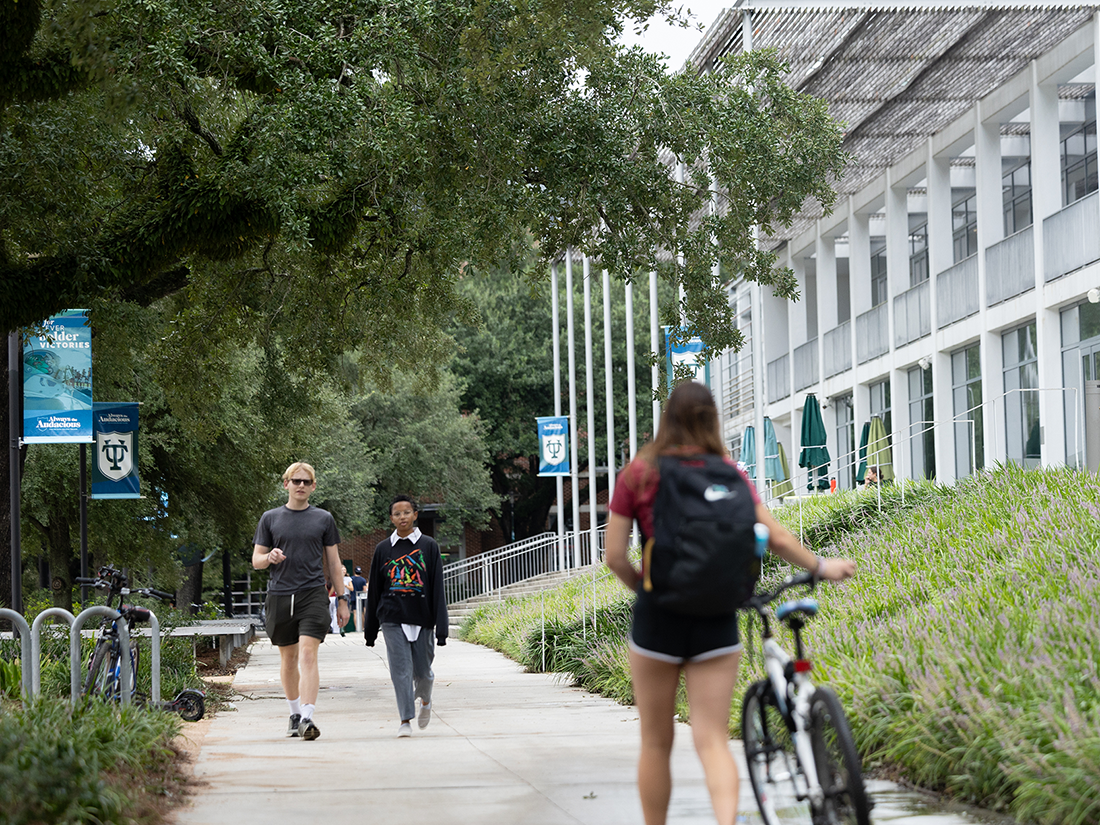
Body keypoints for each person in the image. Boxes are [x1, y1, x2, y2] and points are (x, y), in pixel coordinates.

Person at [604, 382, 856, 825]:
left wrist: (645, 588)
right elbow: (776, 537)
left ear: (668, 418)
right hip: (717, 620)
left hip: (657, 620)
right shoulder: (729, 473)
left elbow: (614, 556)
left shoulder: (640, 473)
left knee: (656, 742)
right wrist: (821, 565)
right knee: (713, 740)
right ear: (712, 420)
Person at [252, 462, 349, 741]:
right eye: (296, 481)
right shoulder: (270, 519)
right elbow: (256, 560)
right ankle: (294, 713)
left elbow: (333, 561)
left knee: (308, 654)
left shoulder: (323, 519)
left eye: (306, 482)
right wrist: (268, 557)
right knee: (289, 658)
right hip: (280, 595)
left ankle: (307, 717)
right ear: (286, 484)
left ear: (314, 486)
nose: (301, 486)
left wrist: (342, 600)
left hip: (313, 593)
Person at [364, 495, 448, 738]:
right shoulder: (383, 549)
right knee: (400, 670)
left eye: (407, 512)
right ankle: (404, 720)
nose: (402, 517)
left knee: (423, 671)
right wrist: (370, 632)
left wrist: (441, 628)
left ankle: (426, 700)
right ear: (391, 518)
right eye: (397, 513)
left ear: (415, 515)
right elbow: (375, 592)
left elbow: (437, 588)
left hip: (423, 618)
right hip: (391, 617)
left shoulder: (429, 546)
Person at [350, 566, 368, 631]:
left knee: (355, 613)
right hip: (361, 597)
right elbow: (364, 589)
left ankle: (356, 628)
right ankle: (362, 627)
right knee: (362, 613)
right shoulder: (363, 580)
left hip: (353, 597)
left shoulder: (351, 579)